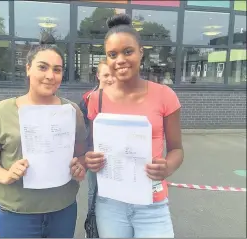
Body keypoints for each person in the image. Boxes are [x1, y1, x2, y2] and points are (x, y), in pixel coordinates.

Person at [0, 33, 88, 238]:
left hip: (62, 210)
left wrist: (80, 167)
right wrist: (5, 175)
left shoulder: (72, 112)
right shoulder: (1, 111)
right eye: (42, 67)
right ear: (28, 69)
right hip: (17, 214)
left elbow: (81, 155)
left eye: (57, 70)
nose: (50, 76)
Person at [85, 14, 184, 238]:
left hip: (152, 204)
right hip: (110, 204)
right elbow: (93, 149)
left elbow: (177, 149)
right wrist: (90, 159)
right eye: (112, 54)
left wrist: (168, 166)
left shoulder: (165, 96)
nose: (120, 59)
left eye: (127, 51)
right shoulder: (96, 99)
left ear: (141, 52)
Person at [79, 59, 115, 210]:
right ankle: (92, 226)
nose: (110, 78)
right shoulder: (87, 98)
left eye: (113, 75)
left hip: (114, 153)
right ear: (98, 76)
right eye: (106, 74)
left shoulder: (119, 98)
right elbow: (82, 127)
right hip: (94, 152)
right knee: (93, 190)